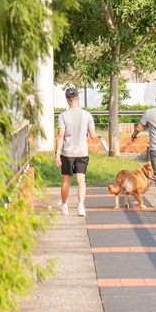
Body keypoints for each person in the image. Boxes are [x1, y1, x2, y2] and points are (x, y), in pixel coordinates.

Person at [53, 87, 104, 217]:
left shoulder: (63, 116)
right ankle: (81, 206)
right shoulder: (87, 115)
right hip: (82, 152)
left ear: (67, 100)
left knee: (66, 180)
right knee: (81, 180)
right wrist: (96, 135)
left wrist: (57, 153)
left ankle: (64, 206)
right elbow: (92, 135)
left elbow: (60, 136)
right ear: (77, 98)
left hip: (68, 153)